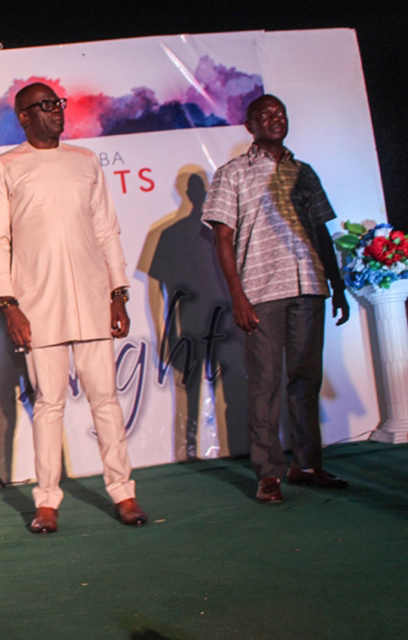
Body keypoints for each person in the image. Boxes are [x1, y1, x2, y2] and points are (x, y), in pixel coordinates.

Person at [0, 82, 147, 531]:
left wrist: (118, 292)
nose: (57, 112)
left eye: (59, 104)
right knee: (49, 403)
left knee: (106, 400)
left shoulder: (85, 160)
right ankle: (47, 501)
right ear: (23, 116)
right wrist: (10, 304)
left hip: (94, 297)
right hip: (37, 304)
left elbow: (107, 231)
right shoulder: (5, 167)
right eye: (46, 106)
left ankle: (123, 493)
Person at [203, 94, 350, 504]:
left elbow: (320, 233)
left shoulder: (304, 173)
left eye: (280, 113)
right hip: (262, 291)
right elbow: (223, 237)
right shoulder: (232, 174)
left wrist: (335, 285)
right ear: (249, 126)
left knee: (305, 379)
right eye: (264, 115)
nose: (275, 119)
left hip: (310, 287)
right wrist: (238, 297)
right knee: (265, 383)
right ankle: (268, 473)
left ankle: (306, 463)